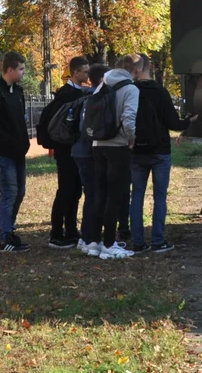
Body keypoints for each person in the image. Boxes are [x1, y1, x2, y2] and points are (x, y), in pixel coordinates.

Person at [130, 54, 198, 253]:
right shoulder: (160, 92)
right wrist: (189, 122)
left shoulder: (129, 91)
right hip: (159, 150)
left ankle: (137, 241)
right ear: (148, 67)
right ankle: (158, 240)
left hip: (136, 151)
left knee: (137, 196)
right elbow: (173, 124)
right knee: (160, 197)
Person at [89, 54, 141, 260]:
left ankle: (95, 242)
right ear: (135, 71)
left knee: (99, 194)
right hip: (117, 145)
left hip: (97, 144)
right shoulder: (130, 89)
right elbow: (128, 118)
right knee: (115, 196)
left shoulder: (103, 84)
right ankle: (110, 244)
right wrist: (132, 138)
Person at [0, 52, 31, 253]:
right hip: (3, 152)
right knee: (9, 192)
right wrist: (10, 143)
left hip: (18, 151)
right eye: (20, 69)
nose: (23, 73)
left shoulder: (17, 92)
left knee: (20, 192)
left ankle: (10, 231)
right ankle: (4, 238)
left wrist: (23, 143)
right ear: (9, 70)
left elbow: (19, 121)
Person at [47, 56, 90, 249]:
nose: (88, 75)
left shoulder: (78, 92)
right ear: (76, 73)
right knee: (65, 190)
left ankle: (71, 229)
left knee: (75, 190)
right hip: (65, 150)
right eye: (85, 71)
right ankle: (56, 233)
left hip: (75, 149)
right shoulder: (66, 94)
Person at [73, 62, 108, 253]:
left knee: (92, 196)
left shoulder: (88, 97)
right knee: (94, 196)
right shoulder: (93, 99)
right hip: (88, 153)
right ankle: (89, 238)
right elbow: (87, 130)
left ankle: (87, 237)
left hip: (83, 152)